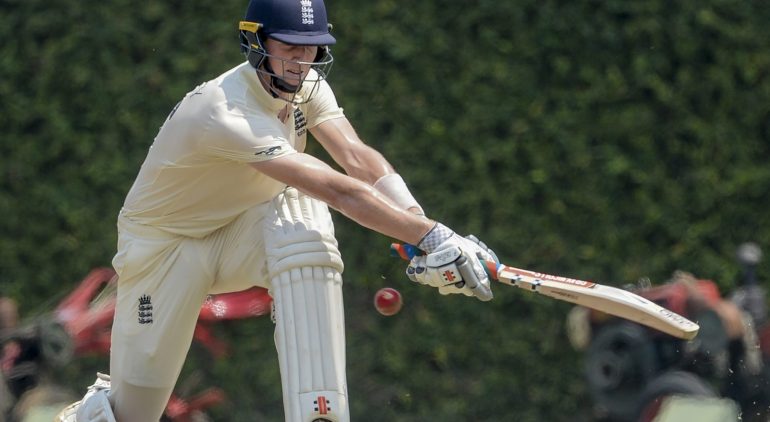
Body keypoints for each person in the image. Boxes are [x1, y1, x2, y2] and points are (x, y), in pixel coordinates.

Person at [57, 0, 497, 420]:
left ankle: (318, 412)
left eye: (310, 47)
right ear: (257, 42)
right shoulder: (225, 110)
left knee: (305, 230)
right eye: (289, 46)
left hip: (239, 227)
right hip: (164, 252)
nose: (301, 60)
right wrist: (430, 235)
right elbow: (336, 188)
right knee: (133, 415)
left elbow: (357, 157)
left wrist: (425, 234)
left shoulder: (308, 85)